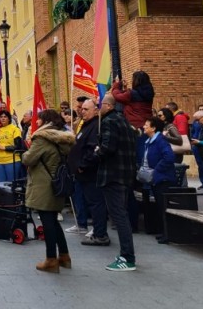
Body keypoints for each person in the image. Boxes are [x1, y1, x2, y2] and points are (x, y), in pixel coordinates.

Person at [22, 109, 76, 273]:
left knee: (47, 223)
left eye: (39, 120)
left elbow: (28, 159)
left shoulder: (43, 138)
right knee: (53, 221)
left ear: (46, 121)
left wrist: (25, 153)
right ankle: (64, 256)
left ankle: (51, 259)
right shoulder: (63, 138)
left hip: (44, 184)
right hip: (57, 182)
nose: (36, 122)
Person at [94, 94, 138, 272]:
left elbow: (108, 147)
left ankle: (127, 257)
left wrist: (98, 151)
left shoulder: (109, 121)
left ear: (109, 106)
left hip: (112, 175)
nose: (99, 108)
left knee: (119, 216)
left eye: (101, 105)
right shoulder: (123, 121)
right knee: (122, 214)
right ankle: (127, 255)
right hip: (125, 174)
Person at [68, 99, 108, 244]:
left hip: (90, 173)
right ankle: (97, 230)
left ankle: (100, 234)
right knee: (90, 202)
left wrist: (82, 165)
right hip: (82, 174)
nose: (82, 111)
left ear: (95, 110)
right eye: (82, 109)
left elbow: (93, 150)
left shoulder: (95, 127)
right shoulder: (86, 125)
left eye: (86, 109)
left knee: (96, 203)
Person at [139, 116, 176, 243]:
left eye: (146, 124)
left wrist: (156, 170)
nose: (144, 126)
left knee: (163, 206)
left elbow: (169, 157)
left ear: (153, 128)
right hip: (156, 179)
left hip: (163, 179)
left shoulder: (160, 141)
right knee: (160, 207)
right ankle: (163, 232)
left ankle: (167, 234)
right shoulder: (149, 141)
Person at [0, 109, 22, 184]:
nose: (3, 118)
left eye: (5, 116)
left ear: (9, 118)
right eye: (1, 117)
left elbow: (18, 146)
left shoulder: (15, 129)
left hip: (12, 160)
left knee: (11, 184)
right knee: (1, 185)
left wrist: (5, 148)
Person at [190, 110, 203, 188]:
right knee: (201, 167)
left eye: (198, 120)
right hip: (199, 151)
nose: (197, 122)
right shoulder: (200, 126)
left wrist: (199, 142)